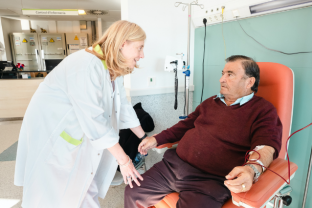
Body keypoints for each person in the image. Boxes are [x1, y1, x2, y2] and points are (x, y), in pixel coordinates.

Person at [14, 20, 146, 208]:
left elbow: (122, 106)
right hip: (55, 136)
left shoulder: (111, 67)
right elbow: (95, 121)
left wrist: (144, 137)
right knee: (53, 193)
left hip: (77, 134)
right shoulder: (86, 65)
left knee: (84, 186)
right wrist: (124, 160)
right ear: (123, 43)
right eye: (139, 48)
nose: (142, 55)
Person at [124, 55, 283, 208]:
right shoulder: (212, 102)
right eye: (222, 74)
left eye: (230, 74)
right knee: (133, 191)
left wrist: (252, 169)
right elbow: (185, 125)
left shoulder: (263, 111)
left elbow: (266, 146)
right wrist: (157, 139)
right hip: (173, 166)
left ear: (249, 82)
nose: (222, 79)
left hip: (210, 181)